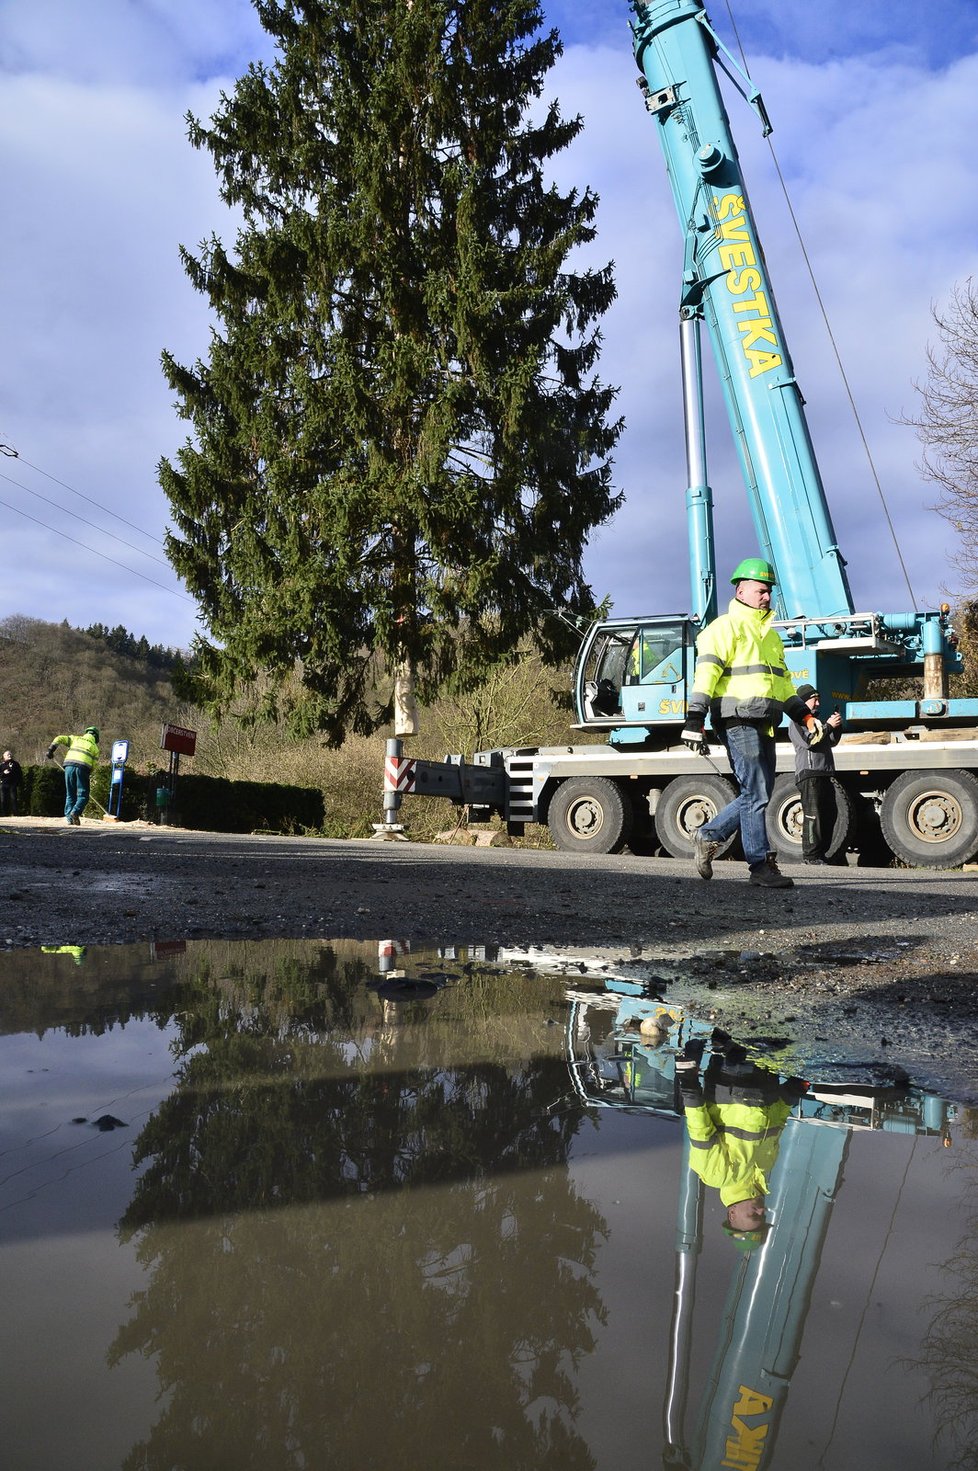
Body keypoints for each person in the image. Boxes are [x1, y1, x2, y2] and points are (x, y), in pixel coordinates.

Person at [680, 557, 824, 889]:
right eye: (761, 590)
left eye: (770, 592)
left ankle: (708, 835)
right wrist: (694, 718)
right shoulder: (723, 628)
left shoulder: (770, 638)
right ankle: (759, 865)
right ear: (741, 590)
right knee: (756, 790)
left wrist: (803, 715)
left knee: (759, 791)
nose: (767, 597)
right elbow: (706, 674)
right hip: (736, 719)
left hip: (765, 721)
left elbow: (783, 683)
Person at [675, 1030, 809, 1248]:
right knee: (777, 1021)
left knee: (739, 1019)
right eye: (763, 1217)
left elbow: (700, 1128)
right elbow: (775, 1122)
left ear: (732, 1214)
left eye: (755, 1216)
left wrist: (688, 1082)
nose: (762, 1211)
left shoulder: (716, 1177)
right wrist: (792, 1093)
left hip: (734, 1078)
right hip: (767, 1080)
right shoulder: (763, 1170)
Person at [788, 683, 843, 865]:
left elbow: (832, 741)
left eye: (819, 699)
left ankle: (820, 854)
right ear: (804, 702)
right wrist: (828, 726)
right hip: (809, 774)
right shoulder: (797, 723)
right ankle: (811, 856)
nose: (818, 703)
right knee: (813, 816)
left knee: (829, 814)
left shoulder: (817, 722)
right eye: (814, 699)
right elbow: (809, 742)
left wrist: (836, 727)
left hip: (825, 773)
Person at [46, 726, 100, 825]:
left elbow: (59, 738)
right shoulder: (95, 748)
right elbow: (94, 766)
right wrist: (88, 774)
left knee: (70, 794)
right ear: (96, 737)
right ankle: (75, 812)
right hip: (83, 768)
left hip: (69, 766)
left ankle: (69, 820)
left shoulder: (75, 739)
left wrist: (51, 749)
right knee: (83, 795)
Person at [0, 750, 23, 815]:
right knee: (3, 800)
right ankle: (4, 814)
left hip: (13, 785)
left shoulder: (16, 764)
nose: (9, 755)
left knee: (14, 800)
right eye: (8, 755)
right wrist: (3, 773)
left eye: (10, 754)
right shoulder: (1, 765)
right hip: (3, 784)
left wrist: (18, 783)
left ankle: (15, 814)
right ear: (4, 756)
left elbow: (20, 774)